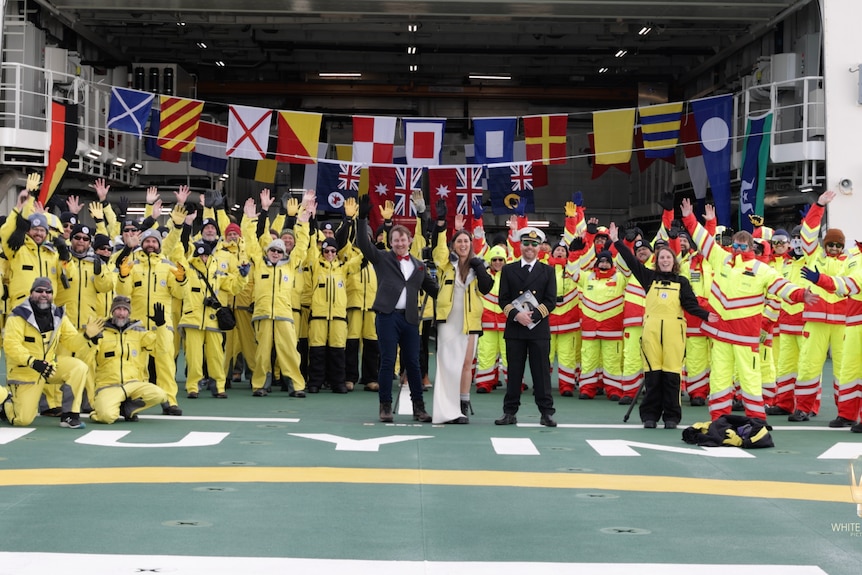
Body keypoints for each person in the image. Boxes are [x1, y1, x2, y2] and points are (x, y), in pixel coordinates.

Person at [680, 198, 818, 421]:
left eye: (743, 245)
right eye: (735, 244)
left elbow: (782, 287)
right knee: (720, 379)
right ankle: (719, 419)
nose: (738, 248)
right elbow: (703, 240)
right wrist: (690, 218)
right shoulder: (721, 259)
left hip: (745, 337)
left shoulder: (761, 269)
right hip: (721, 334)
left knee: (750, 378)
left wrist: (802, 294)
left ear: (751, 247)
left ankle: (756, 418)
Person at [610, 223, 716, 428]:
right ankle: (649, 416)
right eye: (662, 258)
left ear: (673, 261)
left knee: (672, 376)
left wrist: (706, 316)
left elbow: (691, 305)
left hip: (674, 334)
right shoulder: (648, 278)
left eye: (668, 257)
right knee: (652, 376)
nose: (665, 260)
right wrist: (616, 242)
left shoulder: (682, 282)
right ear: (656, 261)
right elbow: (632, 261)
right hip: (651, 333)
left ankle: (671, 417)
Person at [355, 196, 439, 423]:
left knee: (413, 363)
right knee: (388, 361)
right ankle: (384, 406)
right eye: (395, 240)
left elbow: (435, 290)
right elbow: (363, 244)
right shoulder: (382, 258)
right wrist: (362, 218)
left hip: (410, 319)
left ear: (410, 240)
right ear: (390, 242)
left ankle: (419, 407)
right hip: (387, 317)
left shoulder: (419, 265)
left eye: (403, 240)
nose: (400, 243)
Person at [0, 277, 100, 429]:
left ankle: (70, 415)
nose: (44, 294)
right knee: (22, 420)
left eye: (48, 292)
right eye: (39, 291)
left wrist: (86, 336)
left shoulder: (58, 315)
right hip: (25, 371)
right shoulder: (18, 315)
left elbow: (72, 343)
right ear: (31, 293)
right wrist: (32, 362)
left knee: (79, 367)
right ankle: (4, 398)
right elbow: (11, 345)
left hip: (48, 367)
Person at [432, 211, 493, 424]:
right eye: (459, 241)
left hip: (470, 322)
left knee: (467, 364)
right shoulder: (446, 264)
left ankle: (462, 404)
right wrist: (444, 226)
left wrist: (478, 266)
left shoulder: (479, 265)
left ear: (471, 244)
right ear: (453, 245)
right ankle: (446, 406)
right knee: (447, 364)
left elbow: (486, 288)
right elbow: (439, 250)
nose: (463, 244)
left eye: (466, 240)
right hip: (448, 321)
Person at [494, 227, 558, 427]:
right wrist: (516, 315)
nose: (530, 247)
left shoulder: (548, 271)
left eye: (534, 244)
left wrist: (534, 315)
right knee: (514, 373)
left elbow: (551, 301)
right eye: (526, 244)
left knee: (541, 373)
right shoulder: (508, 269)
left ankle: (546, 412)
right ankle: (509, 412)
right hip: (516, 328)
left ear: (540, 247)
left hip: (538, 328)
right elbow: (502, 299)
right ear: (520, 245)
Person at [88, 297, 170, 424]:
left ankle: (127, 409)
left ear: (129, 313)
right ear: (112, 311)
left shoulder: (138, 333)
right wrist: (90, 340)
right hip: (108, 385)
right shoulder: (101, 333)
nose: (121, 313)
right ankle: (102, 409)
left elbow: (161, 350)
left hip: (133, 384)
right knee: (106, 417)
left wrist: (161, 327)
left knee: (160, 395)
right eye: (118, 309)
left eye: (125, 310)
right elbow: (86, 358)